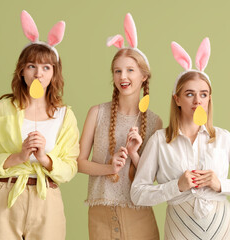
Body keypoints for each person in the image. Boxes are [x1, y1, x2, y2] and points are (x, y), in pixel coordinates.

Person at [131, 39, 230, 239]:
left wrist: (220, 184)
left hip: (222, 229)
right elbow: (138, 194)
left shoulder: (222, 138)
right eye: (189, 94)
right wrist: (176, 186)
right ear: (177, 99)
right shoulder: (160, 140)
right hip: (180, 229)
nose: (197, 100)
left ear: (209, 98)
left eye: (203, 94)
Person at [0, 10, 79, 240]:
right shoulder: (2, 109)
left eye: (46, 67)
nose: (39, 73)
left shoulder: (65, 115)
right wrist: (17, 157)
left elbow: (71, 167)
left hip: (46, 198)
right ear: (22, 70)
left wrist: (44, 159)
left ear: (54, 73)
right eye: (32, 66)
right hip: (3, 196)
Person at [77, 13, 161, 240]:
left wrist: (134, 154)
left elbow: (153, 176)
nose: (123, 76)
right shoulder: (97, 113)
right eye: (117, 71)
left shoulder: (155, 122)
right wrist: (109, 167)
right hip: (100, 214)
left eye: (130, 70)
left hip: (139, 213)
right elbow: (78, 162)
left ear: (144, 76)